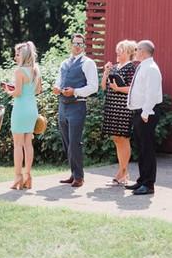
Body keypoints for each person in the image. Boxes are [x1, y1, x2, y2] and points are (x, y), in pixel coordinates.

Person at [53, 33, 99, 187]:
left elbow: (94, 87)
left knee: (74, 142)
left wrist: (75, 91)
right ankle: (73, 174)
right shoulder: (64, 63)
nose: (77, 46)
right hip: (62, 105)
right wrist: (57, 88)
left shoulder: (88, 63)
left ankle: (79, 177)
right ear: (70, 44)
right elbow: (59, 81)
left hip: (78, 105)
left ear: (84, 46)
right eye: (75, 43)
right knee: (66, 142)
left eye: (80, 43)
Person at [125, 40, 163, 195]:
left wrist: (145, 112)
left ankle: (148, 184)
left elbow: (152, 93)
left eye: (137, 49)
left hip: (147, 113)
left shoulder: (151, 68)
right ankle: (142, 180)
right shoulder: (143, 66)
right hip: (139, 112)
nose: (135, 51)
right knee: (141, 148)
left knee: (147, 149)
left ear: (143, 51)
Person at [3, 41, 41, 190]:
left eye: (17, 54)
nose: (15, 57)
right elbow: (38, 90)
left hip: (20, 109)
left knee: (18, 145)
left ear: (24, 55)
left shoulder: (19, 71)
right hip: (32, 109)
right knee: (28, 144)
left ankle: (18, 177)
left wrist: (8, 91)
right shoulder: (36, 70)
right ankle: (28, 176)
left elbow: (18, 93)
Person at [101, 40, 137, 185]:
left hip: (123, 109)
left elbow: (132, 88)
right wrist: (106, 72)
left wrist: (118, 89)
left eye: (121, 50)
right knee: (116, 139)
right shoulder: (114, 67)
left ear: (128, 52)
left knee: (123, 138)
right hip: (112, 107)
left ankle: (122, 172)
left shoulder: (131, 68)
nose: (117, 52)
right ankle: (123, 172)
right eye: (117, 49)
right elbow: (103, 87)